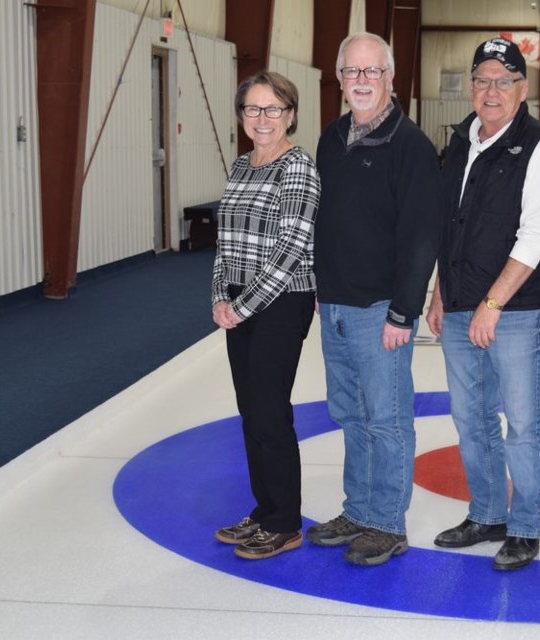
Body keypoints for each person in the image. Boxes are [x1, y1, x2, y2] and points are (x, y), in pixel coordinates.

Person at [426, 37, 540, 571]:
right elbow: (449, 226)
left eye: (503, 80)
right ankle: (487, 513)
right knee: (471, 417)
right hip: (461, 302)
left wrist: (491, 303)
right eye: (482, 79)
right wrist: (441, 291)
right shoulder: (461, 140)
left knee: (523, 421)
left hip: (514, 308)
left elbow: (539, 234)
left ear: (522, 89)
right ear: (470, 85)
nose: (491, 90)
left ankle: (525, 526)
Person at [305, 32, 441, 566]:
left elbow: (421, 237)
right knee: (350, 414)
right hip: (335, 305)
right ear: (339, 79)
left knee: (386, 419)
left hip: (380, 311)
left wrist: (403, 310)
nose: (361, 81)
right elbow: (325, 221)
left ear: (388, 78)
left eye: (372, 72)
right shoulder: (331, 137)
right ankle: (358, 509)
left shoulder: (410, 146)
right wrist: (322, 289)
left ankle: (387, 522)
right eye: (352, 72)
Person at [211, 71, 320, 560]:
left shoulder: (298, 168)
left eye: (273, 109)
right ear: (242, 116)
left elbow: (293, 247)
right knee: (250, 409)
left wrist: (242, 306)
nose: (262, 118)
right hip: (239, 301)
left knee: (270, 411)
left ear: (291, 114)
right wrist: (220, 296)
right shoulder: (240, 166)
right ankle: (263, 508)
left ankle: (284, 521)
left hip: (282, 300)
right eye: (253, 109)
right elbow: (224, 241)